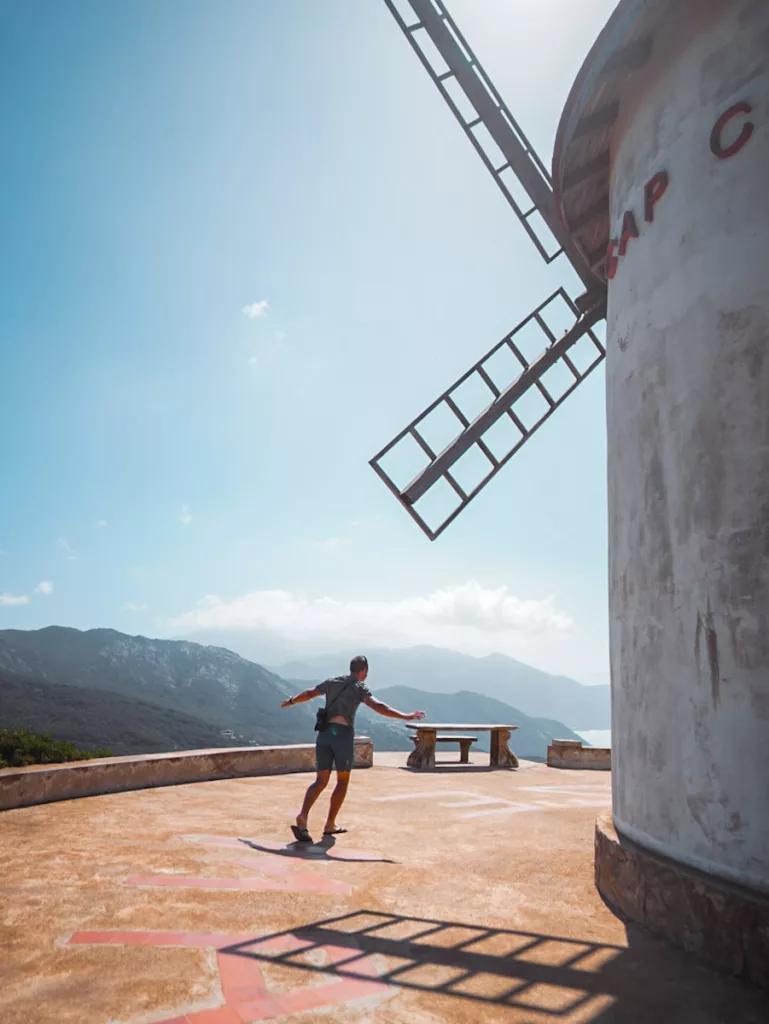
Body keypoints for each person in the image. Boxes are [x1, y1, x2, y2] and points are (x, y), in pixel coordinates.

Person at [280, 654, 425, 842]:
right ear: (363, 670)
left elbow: (310, 693)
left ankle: (303, 816)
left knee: (320, 781)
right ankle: (330, 824)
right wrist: (404, 716)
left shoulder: (333, 681)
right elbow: (378, 706)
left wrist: (291, 701)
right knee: (342, 781)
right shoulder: (359, 687)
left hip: (324, 735)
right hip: (342, 736)